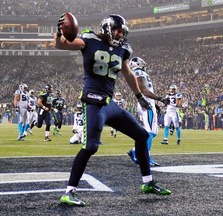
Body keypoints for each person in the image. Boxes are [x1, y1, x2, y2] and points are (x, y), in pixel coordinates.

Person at [54, 13, 171, 207]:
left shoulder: (123, 49)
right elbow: (62, 45)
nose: (119, 34)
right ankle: (69, 191)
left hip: (109, 104)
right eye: (117, 30)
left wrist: (139, 96)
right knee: (90, 146)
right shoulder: (89, 39)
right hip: (93, 102)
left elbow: (128, 72)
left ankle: (148, 183)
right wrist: (59, 33)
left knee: (141, 136)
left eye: (122, 32)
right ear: (107, 28)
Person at [127, 57, 166, 167]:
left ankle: (135, 151)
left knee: (153, 132)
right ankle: (145, 157)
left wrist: (155, 103)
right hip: (146, 104)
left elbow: (146, 90)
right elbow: (143, 90)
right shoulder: (138, 72)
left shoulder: (139, 72)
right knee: (148, 132)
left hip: (149, 104)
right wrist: (160, 98)